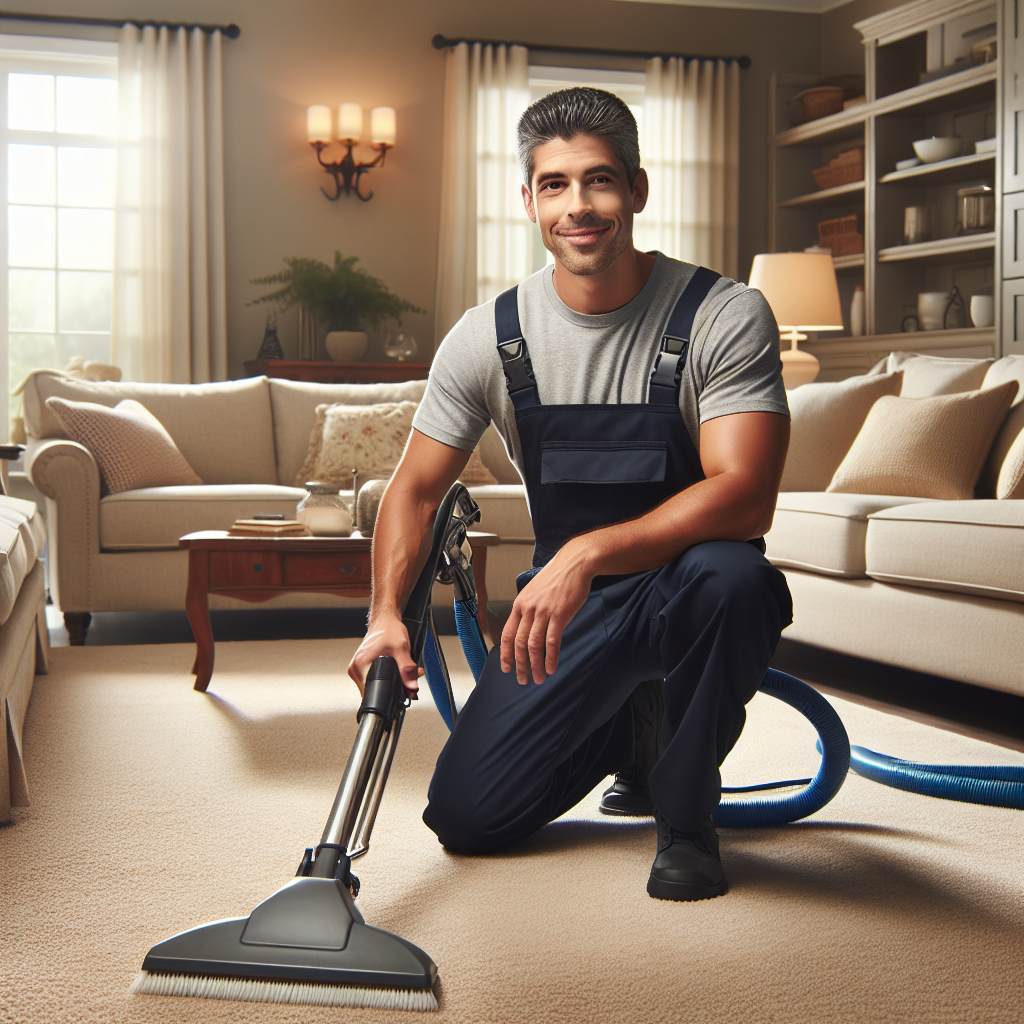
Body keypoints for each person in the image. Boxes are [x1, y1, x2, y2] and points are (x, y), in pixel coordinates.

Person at [349, 87, 793, 902]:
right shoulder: (488, 335)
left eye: (599, 181)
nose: (577, 205)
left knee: (738, 578)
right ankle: (632, 724)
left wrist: (589, 551)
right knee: (469, 818)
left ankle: (686, 817)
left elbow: (744, 497)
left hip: (686, 591)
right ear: (528, 200)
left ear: (638, 191)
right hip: (569, 612)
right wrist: (384, 617)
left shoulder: (722, 314)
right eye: (554, 185)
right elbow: (412, 492)